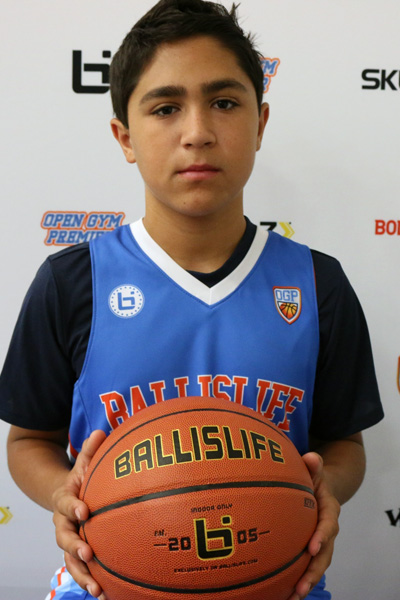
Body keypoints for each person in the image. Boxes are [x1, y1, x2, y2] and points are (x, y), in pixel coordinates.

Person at [0, 0, 384, 599]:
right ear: (125, 137)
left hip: (277, 578)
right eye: (165, 108)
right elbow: (28, 441)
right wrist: (61, 492)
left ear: (260, 124)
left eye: (224, 103)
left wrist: (325, 488)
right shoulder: (73, 282)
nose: (198, 132)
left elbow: (345, 445)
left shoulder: (317, 283)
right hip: (107, 581)